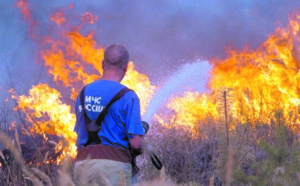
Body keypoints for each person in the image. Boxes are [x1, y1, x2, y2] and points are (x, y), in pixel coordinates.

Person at [73, 44, 145, 186]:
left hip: (82, 166)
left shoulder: (83, 93)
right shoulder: (128, 96)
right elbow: (136, 143)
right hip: (113, 168)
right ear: (125, 67)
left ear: (102, 64)